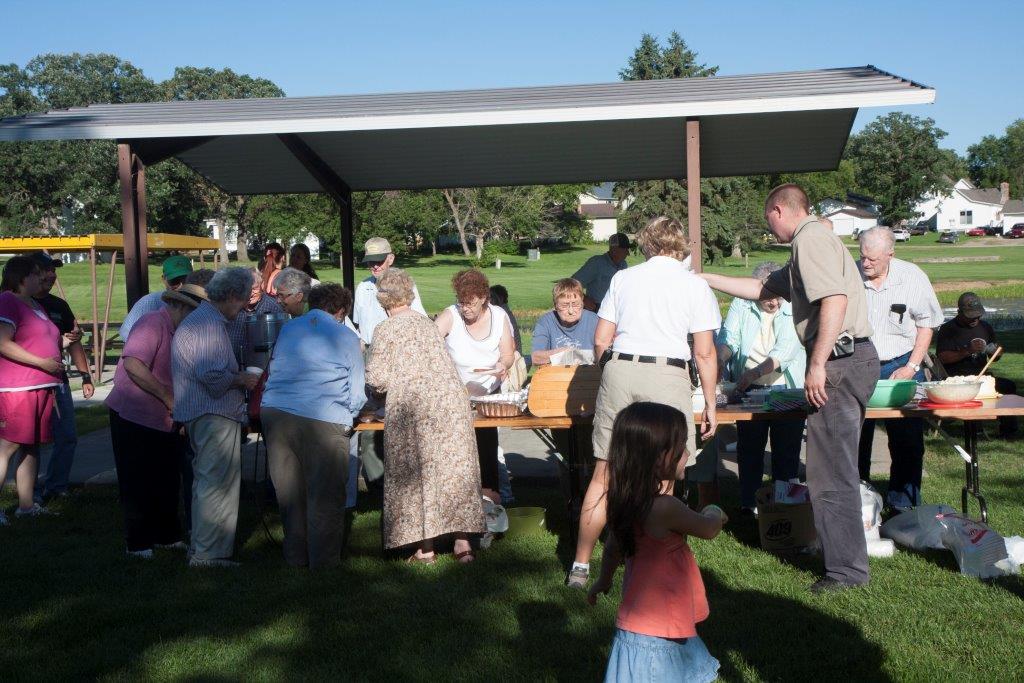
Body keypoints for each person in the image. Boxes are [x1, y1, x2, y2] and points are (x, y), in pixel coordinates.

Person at [701, 184, 879, 593]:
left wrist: (817, 363)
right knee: (831, 469)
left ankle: (846, 573)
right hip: (848, 358)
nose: (769, 228)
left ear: (779, 211)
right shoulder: (809, 243)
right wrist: (704, 278)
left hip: (840, 359)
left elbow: (833, 299)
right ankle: (842, 559)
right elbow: (763, 290)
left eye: (768, 219)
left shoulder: (810, 239)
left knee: (831, 474)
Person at [568, 216, 720, 590]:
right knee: (664, 472)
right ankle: (649, 559)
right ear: (680, 246)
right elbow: (704, 352)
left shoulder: (623, 278)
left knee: (604, 472)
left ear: (647, 244)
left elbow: (601, 340)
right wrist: (711, 404)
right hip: (667, 373)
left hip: (621, 368)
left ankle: (580, 566)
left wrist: (614, 371)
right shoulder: (694, 285)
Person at [587, 402, 725, 683]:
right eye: (681, 447)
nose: (688, 453)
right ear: (658, 457)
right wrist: (714, 512)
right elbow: (708, 529)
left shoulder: (626, 502)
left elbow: (613, 547)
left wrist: (604, 580)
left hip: (648, 626)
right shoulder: (665, 508)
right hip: (658, 636)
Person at [365, 268, 486, 563]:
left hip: (416, 408)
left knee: (416, 472)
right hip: (451, 403)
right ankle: (462, 544)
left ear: (383, 301)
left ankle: (425, 548)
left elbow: (377, 379)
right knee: (452, 471)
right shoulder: (427, 324)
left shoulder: (385, 330)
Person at [261, 283, 365, 568]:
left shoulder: (289, 328)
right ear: (341, 310)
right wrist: (350, 417)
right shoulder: (345, 336)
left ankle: (295, 559)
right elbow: (357, 390)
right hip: (323, 415)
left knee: (289, 493)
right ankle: (323, 564)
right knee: (326, 496)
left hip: (277, 412)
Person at [105, 284, 206, 558]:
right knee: (137, 479)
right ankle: (137, 542)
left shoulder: (181, 330)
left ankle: (166, 534)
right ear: (182, 307)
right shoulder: (153, 323)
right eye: (196, 312)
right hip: (133, 412)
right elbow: (133, 364)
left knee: (167, 476)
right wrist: (167, 396)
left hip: (163, 415)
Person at [171, 267, 261, 567]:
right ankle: (208, 554)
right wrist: (241, 380)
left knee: (206, 483)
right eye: (244, 299)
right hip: (213, 413)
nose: (245, 306)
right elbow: (212, 377)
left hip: (203, 414)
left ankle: (202, 547)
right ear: (233, 296)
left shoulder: (204, 319)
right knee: (217, 485)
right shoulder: (209, 324)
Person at [855, 227, 944, 508]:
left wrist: (911, 366)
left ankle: (903, 507)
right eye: (862, 257)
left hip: (901, 365)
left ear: (890, 255)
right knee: (856, 439)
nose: (865, 263)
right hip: (858, 365)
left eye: (872, 259)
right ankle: (860, 504)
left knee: (907, 442)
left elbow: (926, 324)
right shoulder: (850, 276)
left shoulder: (912, 276)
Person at [717, 261, 807, 515]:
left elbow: (785, 352)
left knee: (786, 451)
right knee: (749, 449)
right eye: (769, 297)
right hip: (749, 388)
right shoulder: (741, 304)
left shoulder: (793, 305)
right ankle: (749, 503)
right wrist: (720, 359)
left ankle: (785, 506)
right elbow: (729, 338)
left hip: (786, 388)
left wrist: (753, 372)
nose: (774, 302)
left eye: (779, 296)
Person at [351, 237, 427, 486]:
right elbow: (361, 331)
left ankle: (404, 479)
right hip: (372, 352)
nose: (374, 266)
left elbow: (419, 321)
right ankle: (376, 482)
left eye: (379, 261)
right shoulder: (363, 288)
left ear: (391, 258)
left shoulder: (406, 287)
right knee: (370, 417)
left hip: (402, 353)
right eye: (370, 262)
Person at [436, 268, 515, 500]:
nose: (465, 308)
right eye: (461, 303)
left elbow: (508, 355)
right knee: (457, 457)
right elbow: (428, 343)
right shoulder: (450, 315)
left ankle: (490, 508)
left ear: (483, 298)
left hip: (487, 398)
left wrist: (503, 365)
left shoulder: (499, 315)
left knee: (487, 453)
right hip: (455, 397)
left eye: (470, 303)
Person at [0, 256, 63, 523]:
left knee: (32, 446)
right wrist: (41, 362)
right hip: (18, 388)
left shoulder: (35, 304)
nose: (43, 278)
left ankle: (26, 506)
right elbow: (2, 342)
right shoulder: (7, 300)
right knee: (7, 447)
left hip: (41, 385)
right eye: (37, 274)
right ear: (22, 278)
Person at [29, 252, 94, 504]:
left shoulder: (59, 306)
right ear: (31, 273)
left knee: (66, 436)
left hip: (58, 382)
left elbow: (74, 342)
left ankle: (56, 486)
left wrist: (85, 375)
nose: (52, 274)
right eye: (46, 269)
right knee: (29, 441)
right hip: (29, 384)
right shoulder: (18, 304)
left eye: (54, 270)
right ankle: (30, 494)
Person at [936, 292, 1018, 437]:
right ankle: (976, 429)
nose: (975, 319)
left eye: (978, 315)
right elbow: (942, 358)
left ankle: (1008, 431)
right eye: (971, 316)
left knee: (1008, 386)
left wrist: (996, 353)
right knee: (975, 390)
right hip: (958, 380)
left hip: (983, 377)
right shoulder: (948, 329)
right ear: (959, 312)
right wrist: (967, 351)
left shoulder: (985, 327)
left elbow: (995, 356)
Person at [119, 255, 193, 341]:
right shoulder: (148, 303)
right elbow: (127, 336)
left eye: (186, 280)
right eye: (175, 281)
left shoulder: (202, 304)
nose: (181, 286)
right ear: (164, 280)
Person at [530, 278, 599, 366]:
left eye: (575, 304)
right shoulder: (545, 321)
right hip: (556, 377)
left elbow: (606, 352)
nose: (570, 311)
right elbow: (536, 358)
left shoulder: (594, 320)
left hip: (588, 375)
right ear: (555, 305)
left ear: (582, 302)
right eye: (564, 305)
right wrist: (563, 353)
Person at [226, 268, 285, 366]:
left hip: (263, 367)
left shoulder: (273, 308)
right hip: (233, 366)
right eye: (245, 289)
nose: (250, 294)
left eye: (254, 289)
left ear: (262, 285)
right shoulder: (231, 307)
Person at [572, 233, 630, 312]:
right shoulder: (596, 263)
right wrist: (584, 299)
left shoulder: (623, 264)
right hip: (597, 310)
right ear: (614, 249)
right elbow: (571, 284)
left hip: (616, 309)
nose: (628, 253)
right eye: (624, 249)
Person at [489, 284, 523, 357]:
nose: (489, 300)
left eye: (491, 297)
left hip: (511, 356)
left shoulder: (501, 313)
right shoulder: (504, 310)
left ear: (499, 298)